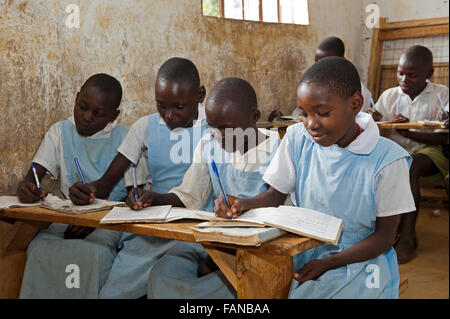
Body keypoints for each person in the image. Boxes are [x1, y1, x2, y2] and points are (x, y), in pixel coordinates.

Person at [217, 57, 416, 298]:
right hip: (304, 249)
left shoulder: (388, 160)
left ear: (355, 104)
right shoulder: (297, 138)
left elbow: (384, 238)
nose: (311, 124)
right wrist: (242, 204)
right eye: (303, 114)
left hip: (360, 260)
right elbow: (274, 195)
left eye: (322, 113)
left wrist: (330, 263)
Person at [71, 58, 210, 298]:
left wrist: (153, 198)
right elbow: (106, 182)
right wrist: (87, 193)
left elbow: (200, 193)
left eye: (179, 107)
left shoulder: (214, 128)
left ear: (199, 95)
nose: (168, 115)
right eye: (161, 105)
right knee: (113, 294)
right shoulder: (146, 126)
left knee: (171, 285)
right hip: (152, 227)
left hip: (198, 229)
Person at [141, 77, 281, 298]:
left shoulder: (277, 150)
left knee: (240, 284)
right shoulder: (209, 144)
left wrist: (227, 252)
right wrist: (152, 197)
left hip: (257, 249)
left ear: (254, 117)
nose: (218, 135)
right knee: (163, 272)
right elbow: (189, 195)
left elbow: (280, 213)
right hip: (213, 240)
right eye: (212, 126)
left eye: (226, 128)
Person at [17, 73, 142, 298]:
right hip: (66, 220)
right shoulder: (60, 132)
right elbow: (32, 177)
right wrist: (27, 187)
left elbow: (134, 197)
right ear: (75, 99)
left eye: (98, 113)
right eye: (82, 107)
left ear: (114, 116)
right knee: (39, 247)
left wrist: (96, 219)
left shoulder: (127, 138)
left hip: (108, 225)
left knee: (93, 253)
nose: (86, 117)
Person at [368, 45, 449, 263]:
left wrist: (409, 133)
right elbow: (377, 127)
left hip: (431, 151)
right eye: (400, 73)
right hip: (396, 151)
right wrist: (373, 119)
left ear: (428, 75)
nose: (404, 79)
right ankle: (377, 232)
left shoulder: (442, 95)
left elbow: (444, 138)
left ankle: (406, 236)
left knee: (409, 166)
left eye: (412, 75)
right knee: (372, 165)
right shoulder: (389, 95)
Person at [291, 36, 373, 116]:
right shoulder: (313, 86)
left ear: (341, 59)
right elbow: (299, 112)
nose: (320, 67)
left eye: (326, 62)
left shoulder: (357, 90)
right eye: (317, 62)